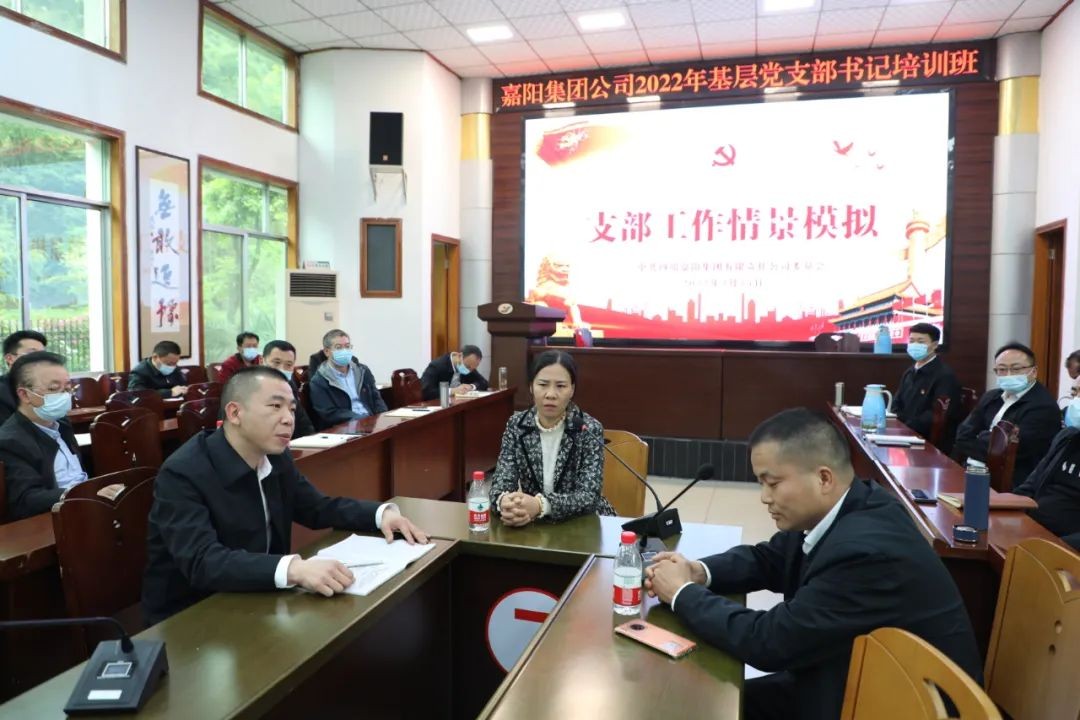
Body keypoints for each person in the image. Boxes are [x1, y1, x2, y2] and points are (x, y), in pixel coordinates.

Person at [644, 408, 981, 720]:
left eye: (773, 483)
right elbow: (769, 558)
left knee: (705, 705)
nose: (764, 497)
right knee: (709, 701)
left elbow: (769, 641)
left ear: (824, 479)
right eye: (761, 483)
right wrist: (698, 571)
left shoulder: (865, 553)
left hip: (901, 706)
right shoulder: (850, 503)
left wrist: (681, 592)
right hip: (844, 677)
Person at [141, 366, 428, 625]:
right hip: (193, 615)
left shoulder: (275, 457)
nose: (288, 419)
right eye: (275, 406)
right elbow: (203, 561)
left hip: (258, 596)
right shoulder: (183, 472)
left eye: (291, 409)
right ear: (235, 413)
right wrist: (294, 569)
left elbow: (316, 508)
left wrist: (380, 514)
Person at [488, 350, 614, 524]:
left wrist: (541, 505)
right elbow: (501, 481)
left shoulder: (588, 428)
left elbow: (589, 497)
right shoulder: (516, 425)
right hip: (532, 522)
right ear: (531, 387)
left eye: (560, 386)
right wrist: (505, 503)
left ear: (572, 389)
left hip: (582, 522)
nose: (551, 394)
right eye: (543, 384)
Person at [0, 352, 122, 521]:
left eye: (67, 389)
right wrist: (85, 493)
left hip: (87, 506)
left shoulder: (62, 423)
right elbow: (27, 500)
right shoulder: (9, 441)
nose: (64, 396)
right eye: (53, 389)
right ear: (25, 395)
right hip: (54, 518)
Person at [954, 342, 1062, 488]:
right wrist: (991, 440)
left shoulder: (1043, 406)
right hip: (971, 469)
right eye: (1002, 369)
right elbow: (962, 435)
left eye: (1016, 369)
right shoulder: (991, 396)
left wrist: (981, 437)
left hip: (1012, 482)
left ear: (1034, 371)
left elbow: (1015, 450)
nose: (1008, 374)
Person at [1001, 398, 1080, 552]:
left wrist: (1054, 548)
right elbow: (1030, 486)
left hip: (1063, 549)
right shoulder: (1068, 437)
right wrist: (1002, 510)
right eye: (1077, 393)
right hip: (1030, 528)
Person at [891, 323, 962, 453]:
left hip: (927, 441)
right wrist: (898, 424)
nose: (915, 345)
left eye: (921, 341)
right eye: (911, 341)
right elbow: (896, 402)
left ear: (934, 345)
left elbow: (937, 414)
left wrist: (907, 427)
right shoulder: (910, 372)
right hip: (903, 433)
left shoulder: (944, 375)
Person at [308, 329, 387, 430]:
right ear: (327, 352)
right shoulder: (319, 381)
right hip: (345, 428)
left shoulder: (362, 370)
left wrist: (383, 417)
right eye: (338, 347)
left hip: (371, 422)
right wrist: (361, 420)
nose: (344, 351)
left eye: (347, 346)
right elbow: (329, 413)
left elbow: (376, 398)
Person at [261, 339, 316, 439]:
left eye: (288, 365)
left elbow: (303, 423)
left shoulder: (290, 386)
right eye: (276, 362)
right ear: (262, 361)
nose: (282, 369)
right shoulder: (250, 389)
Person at [0, 330, 47, 425]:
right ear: (10, 358)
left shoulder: (48, 386)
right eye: (32, 354)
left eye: (43, 355)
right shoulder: (2, 393)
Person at [419, 345, 489, 400]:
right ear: (459, 356)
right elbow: (426, 391)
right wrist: (452, 391)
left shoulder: (469, 366)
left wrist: (471, 386)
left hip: (457, 404)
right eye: (468, 367)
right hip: (437, 406)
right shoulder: (437, 366)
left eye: (473, 369)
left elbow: (484, 382)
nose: (469, 371)